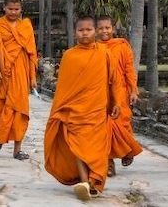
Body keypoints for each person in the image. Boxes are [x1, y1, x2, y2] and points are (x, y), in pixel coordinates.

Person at [44, 16, 124, 201]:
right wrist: (59, 109)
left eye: (88, 30)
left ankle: (94, 180)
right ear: (75, 32)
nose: (85, 33)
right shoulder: (69, 56)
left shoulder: (104, 53)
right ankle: (85, 182)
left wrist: (117, 102)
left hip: (96, 110)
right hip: (74, 112)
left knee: (96, 148)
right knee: (77, 147)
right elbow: (63, 88)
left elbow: (114, 81)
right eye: (81, 30)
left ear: (94, 31)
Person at [0, 0, 37, 160]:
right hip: (0, 74)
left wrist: (33, 77)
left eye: (17, 9)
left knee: (19, 111)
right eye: (10, 9)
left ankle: (17, 149)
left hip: (20, 72)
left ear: (21, 9)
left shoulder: (26, 26)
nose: (13, 12)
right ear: (4, 8)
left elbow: (31, 53)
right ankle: (0, 136)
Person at [96, 15, 142, 175]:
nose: (104, 31)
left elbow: (129, 70)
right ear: (96, 30)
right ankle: (108, 163)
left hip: (120, 92)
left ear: (113, 29)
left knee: (122, 124)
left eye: (107, 28)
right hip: (101, 93)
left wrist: (133, 90)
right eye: (101, 28)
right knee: (104, 128)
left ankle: (127, 149)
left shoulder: (122, 46)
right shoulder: (94, 48)